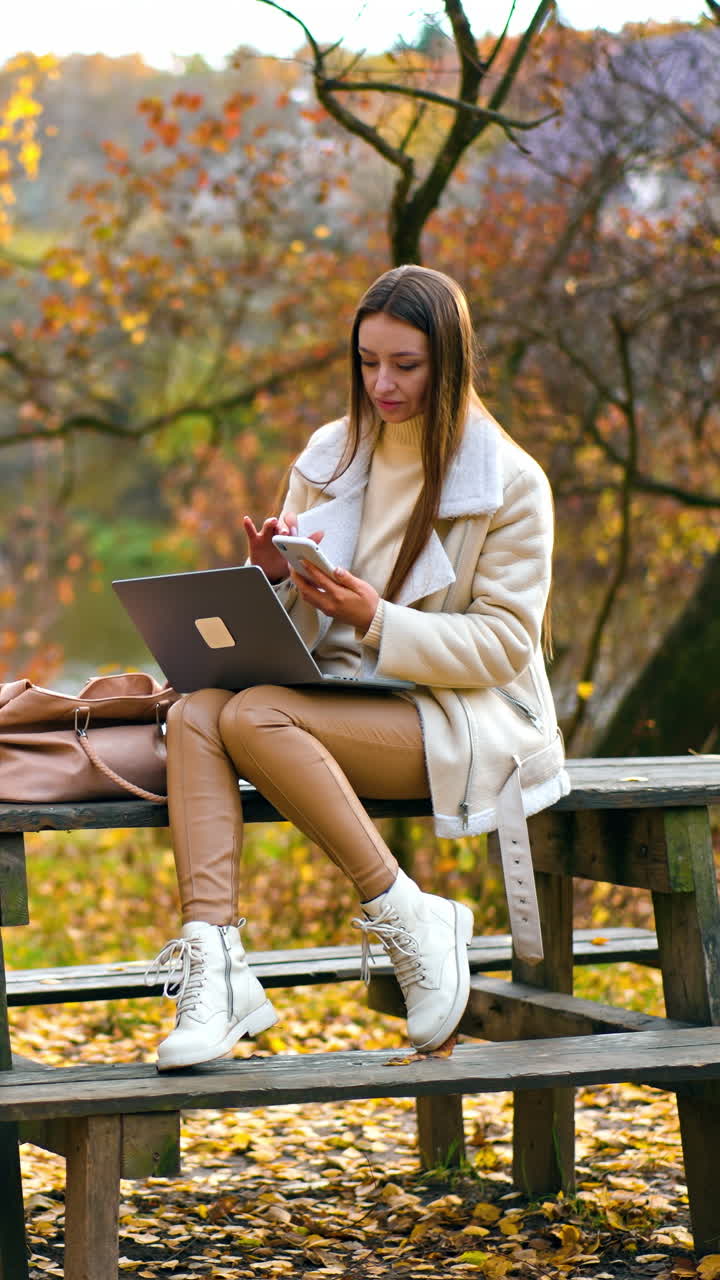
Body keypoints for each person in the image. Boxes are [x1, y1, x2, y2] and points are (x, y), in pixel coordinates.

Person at [149, 265, 570, 1071]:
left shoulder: (510, 484)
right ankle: (218, 965)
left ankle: (409, 915)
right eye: (368, 362)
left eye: (405, 365)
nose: (382, 384)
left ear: (451, 362)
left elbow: (504, 646)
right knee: (195, 711)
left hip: (459, 715)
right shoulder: (328, 456)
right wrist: (272, 581)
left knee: (250, 714)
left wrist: (376, 619)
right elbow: (299, 628)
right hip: (330, 695)